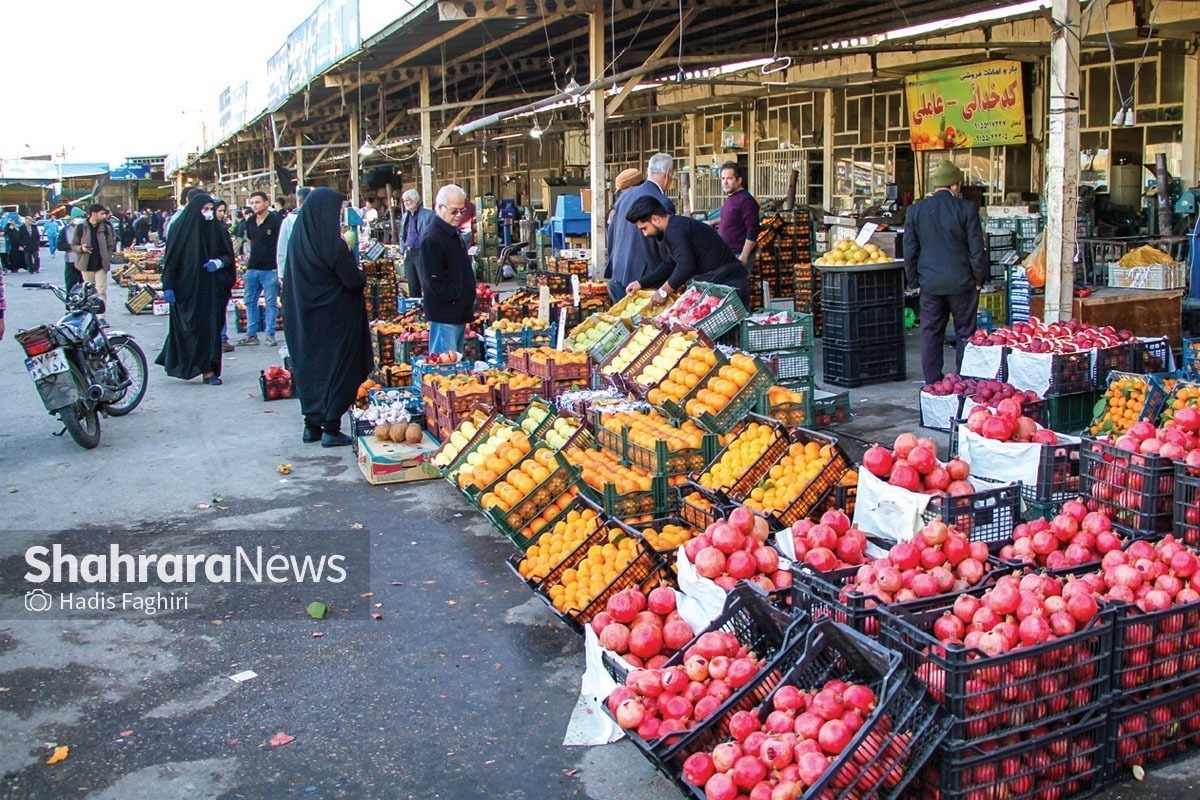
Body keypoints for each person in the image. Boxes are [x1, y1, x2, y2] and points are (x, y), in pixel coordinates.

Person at [281, 187, 372, 447]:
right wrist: (359, 272)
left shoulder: (300, 239)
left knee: (311, 370)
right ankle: (331, 426)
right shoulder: (330, 242)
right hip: (335, 322)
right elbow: (352, 280)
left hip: (304, 320)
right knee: (340, 369)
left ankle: (311, 426)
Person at [903, 159, 988, 385]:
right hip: (963, 283)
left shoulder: (916, 210)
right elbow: (976, 249)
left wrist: (914, 282)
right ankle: (965, 381)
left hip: (930, 284)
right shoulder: (967, 209)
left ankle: (933, 382)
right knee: (965, 333)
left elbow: (910, 248)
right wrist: (979, 279)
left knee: (931, 333)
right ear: (955, 185)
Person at [154, 193, 236, 386]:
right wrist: (169, 286)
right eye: (204, 209)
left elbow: (228, 256)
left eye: (210, 209)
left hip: (212, 289)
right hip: (187, 290)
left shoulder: (218, 230)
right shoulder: (180, 229)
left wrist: (218, 263)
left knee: (211, 329)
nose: (208, 214)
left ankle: (209, 371)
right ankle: (184, 363)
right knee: (189, 328)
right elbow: (172, 259)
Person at [623, 195, 751, 309]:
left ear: (655, 219)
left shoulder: (676, 230)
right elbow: (670, 263)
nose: (645, 234)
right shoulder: (675, 227)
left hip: (729, 284)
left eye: (644, 228)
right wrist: (641, 283)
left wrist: (663, 291)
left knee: (732, 334)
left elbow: (685, 265)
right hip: (720, 282)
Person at [606, 152, 676, 302]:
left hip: (618, 272)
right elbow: (666, 248)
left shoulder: (624, 196)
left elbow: (611, 234)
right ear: (668, 174)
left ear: (648, 171)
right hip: (645, 281)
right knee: (645, 324)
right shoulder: (661, 202)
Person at [418, 184, 476, 355]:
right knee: (445, 367)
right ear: (440, 208)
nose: (459, 215)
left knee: (454, 362)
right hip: (445, 314)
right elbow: (434, 281)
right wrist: (457, 296)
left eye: (462, 210)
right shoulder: (433, 237)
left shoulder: (451, 233)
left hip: (457, 311)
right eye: (454, 211)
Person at [237, 191, 283, 347]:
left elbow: (282, 244)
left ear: (266, 202)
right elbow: (250, 241)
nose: (254, 205)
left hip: (270, 269)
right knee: (250, 302)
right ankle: (251, 334)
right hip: (252, 269)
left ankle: (270, 334)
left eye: (257, 202)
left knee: (270, 303)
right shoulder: (250, 222)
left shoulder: (276, 221)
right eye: (252, 203)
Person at [71, 204, 116, 312]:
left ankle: (101, 317)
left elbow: (111, 244)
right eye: (102, 214)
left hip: (101, 264)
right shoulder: (81, 228)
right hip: (86, 265)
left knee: (101, 291)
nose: (104, 216)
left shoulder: (106, 227)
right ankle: (90, 315)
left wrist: (108, 257)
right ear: (94, 214)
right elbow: (73, 245)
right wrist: (81, 249)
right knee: (89, 292)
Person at [717, 162, 760, 268]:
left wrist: (744, 256)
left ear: (739, 180)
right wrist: (711, 222)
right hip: (726, 253)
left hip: (738, 254)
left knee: (736, 284)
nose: (725, 182)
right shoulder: (732, 197)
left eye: (729, 178)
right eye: (723, 179)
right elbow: (732, 218)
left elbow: (753, 230)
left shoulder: (746, 200)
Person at [398, 189, 435, 297]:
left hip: (421, 251)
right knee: (412, 284)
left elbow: (433, 235)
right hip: (408, 252)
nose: (405, 203)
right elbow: (402, 234)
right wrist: (402, 249)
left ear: (416, 200)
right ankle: (415, 308)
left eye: (408, 200)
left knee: (425, 283)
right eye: (404, 201)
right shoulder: (406, 216)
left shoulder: (428, 215)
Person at [277, 186, 310, 280]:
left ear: (298, 202)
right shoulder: (321, 220)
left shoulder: (288, 221)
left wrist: (282, 274)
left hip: (295, 269)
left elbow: (282, 249)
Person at [62, 217, 82, 292]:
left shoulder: (85, 228)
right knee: (70, 285)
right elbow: (60, 245)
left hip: (84, 262)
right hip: (71, 262)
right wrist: (72, 247)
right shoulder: (65, 230)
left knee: (85, 285)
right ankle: (70, 300)